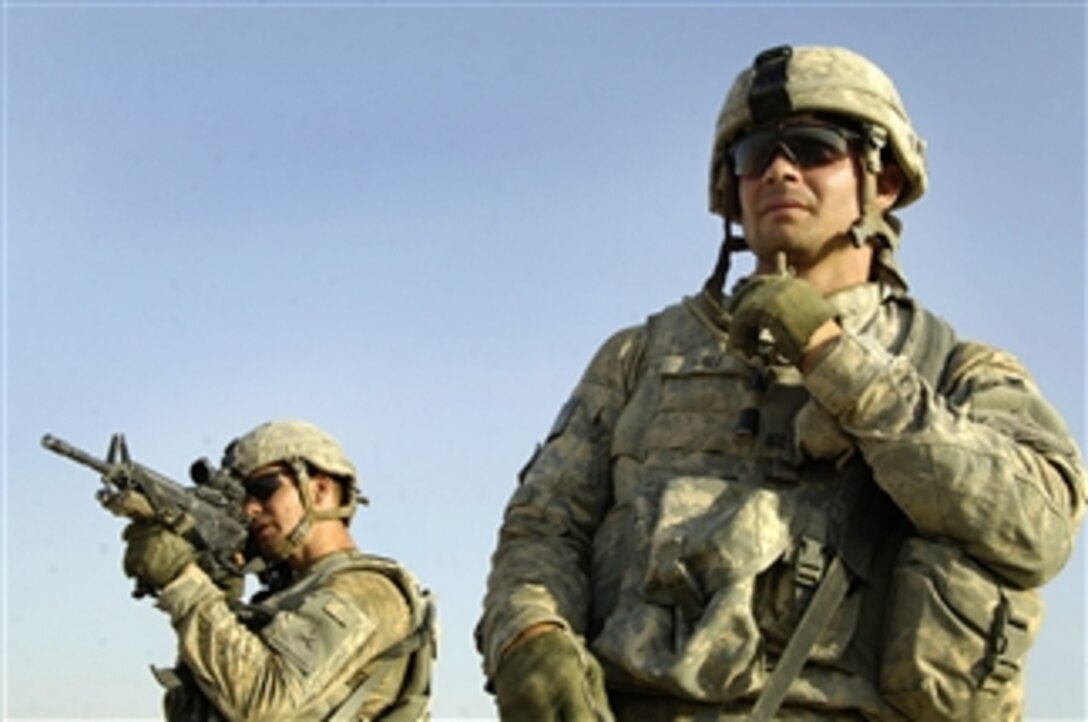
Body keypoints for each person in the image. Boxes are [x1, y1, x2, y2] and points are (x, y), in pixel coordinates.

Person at [477, 44, 1085, 721]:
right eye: (753, 156)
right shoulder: (637, 358)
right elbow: (541, 528)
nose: (779, 170)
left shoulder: (952, 369)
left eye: (814, 147)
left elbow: (1040, 527)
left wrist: (835, 358)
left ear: (881, 182)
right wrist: (529, 636)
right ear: (731, 193)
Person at [119, 419, 436, 721]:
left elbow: (263, 702)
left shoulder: (368, 591)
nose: (249, 509)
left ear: (319, 490)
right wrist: (218, 602)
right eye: (241, 498)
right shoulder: (285, 598)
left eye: (264, 488)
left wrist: (186, 584)